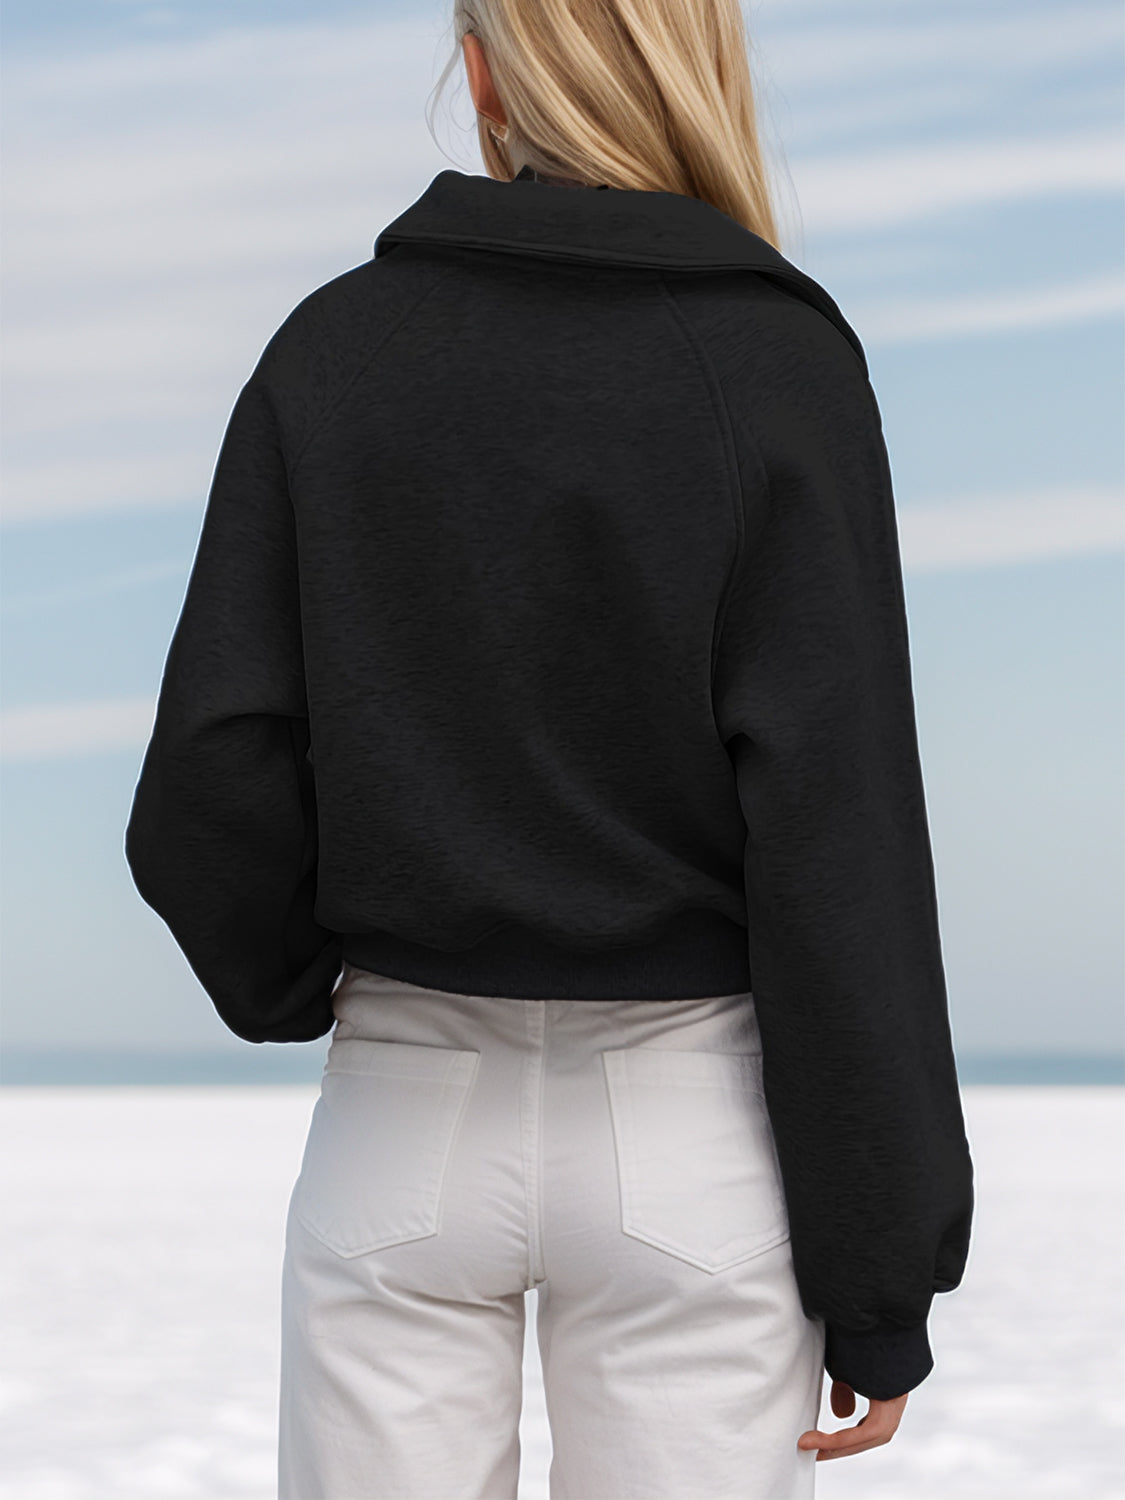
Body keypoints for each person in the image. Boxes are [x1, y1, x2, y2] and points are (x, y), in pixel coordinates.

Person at [123, 1, 975, 1495]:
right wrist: (879, 1268)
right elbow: (838, 841)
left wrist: (293, 983)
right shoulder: (777, 364)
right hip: (693, 1136)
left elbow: (213, 767)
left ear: (482, 72)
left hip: (405, 1112)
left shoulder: (334, 349)